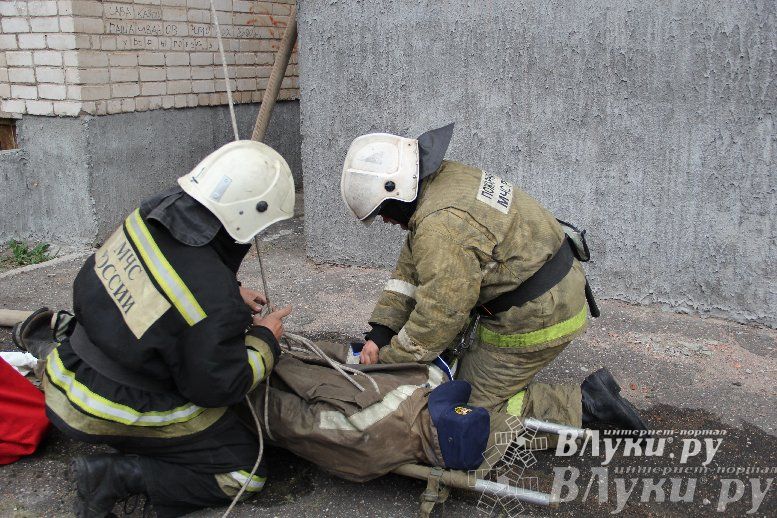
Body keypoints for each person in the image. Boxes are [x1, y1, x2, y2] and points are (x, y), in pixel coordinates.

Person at [31, 140, 295, 517]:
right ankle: (116, 477)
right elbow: (216, 385)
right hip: (104, 405)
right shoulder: (210, 299)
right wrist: (266, 339)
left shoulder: (152, 212)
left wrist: (230, 292)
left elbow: (161, 282)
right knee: (241, 473)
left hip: (66, 369)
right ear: (248, 215)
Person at [340, 124, 648, 434]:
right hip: (547, 286)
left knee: (463, 418)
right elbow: (411, 270)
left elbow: (440, 315)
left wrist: (392, 360)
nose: (386, 220)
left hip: (539, 313)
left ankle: (588, 405)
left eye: (384, 210)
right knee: (451, 376)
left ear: (398, 188)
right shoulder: (442, 182)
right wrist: (381, 332)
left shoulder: (442, 224)